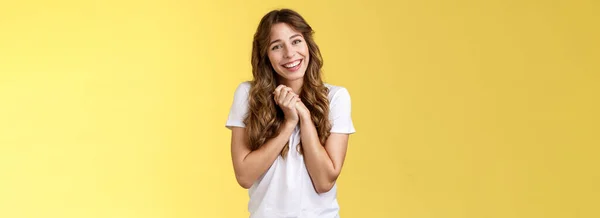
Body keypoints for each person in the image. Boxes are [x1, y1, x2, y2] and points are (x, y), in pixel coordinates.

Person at [225, 8, 356, 218]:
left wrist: (304, 117)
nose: (289, 53)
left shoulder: (336, 97)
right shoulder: (248, 95)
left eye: (296, 41)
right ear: (265, 55)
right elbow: (244, 176)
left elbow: (324, 181)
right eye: (277, 46)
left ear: (307, 44)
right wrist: (288, 123)